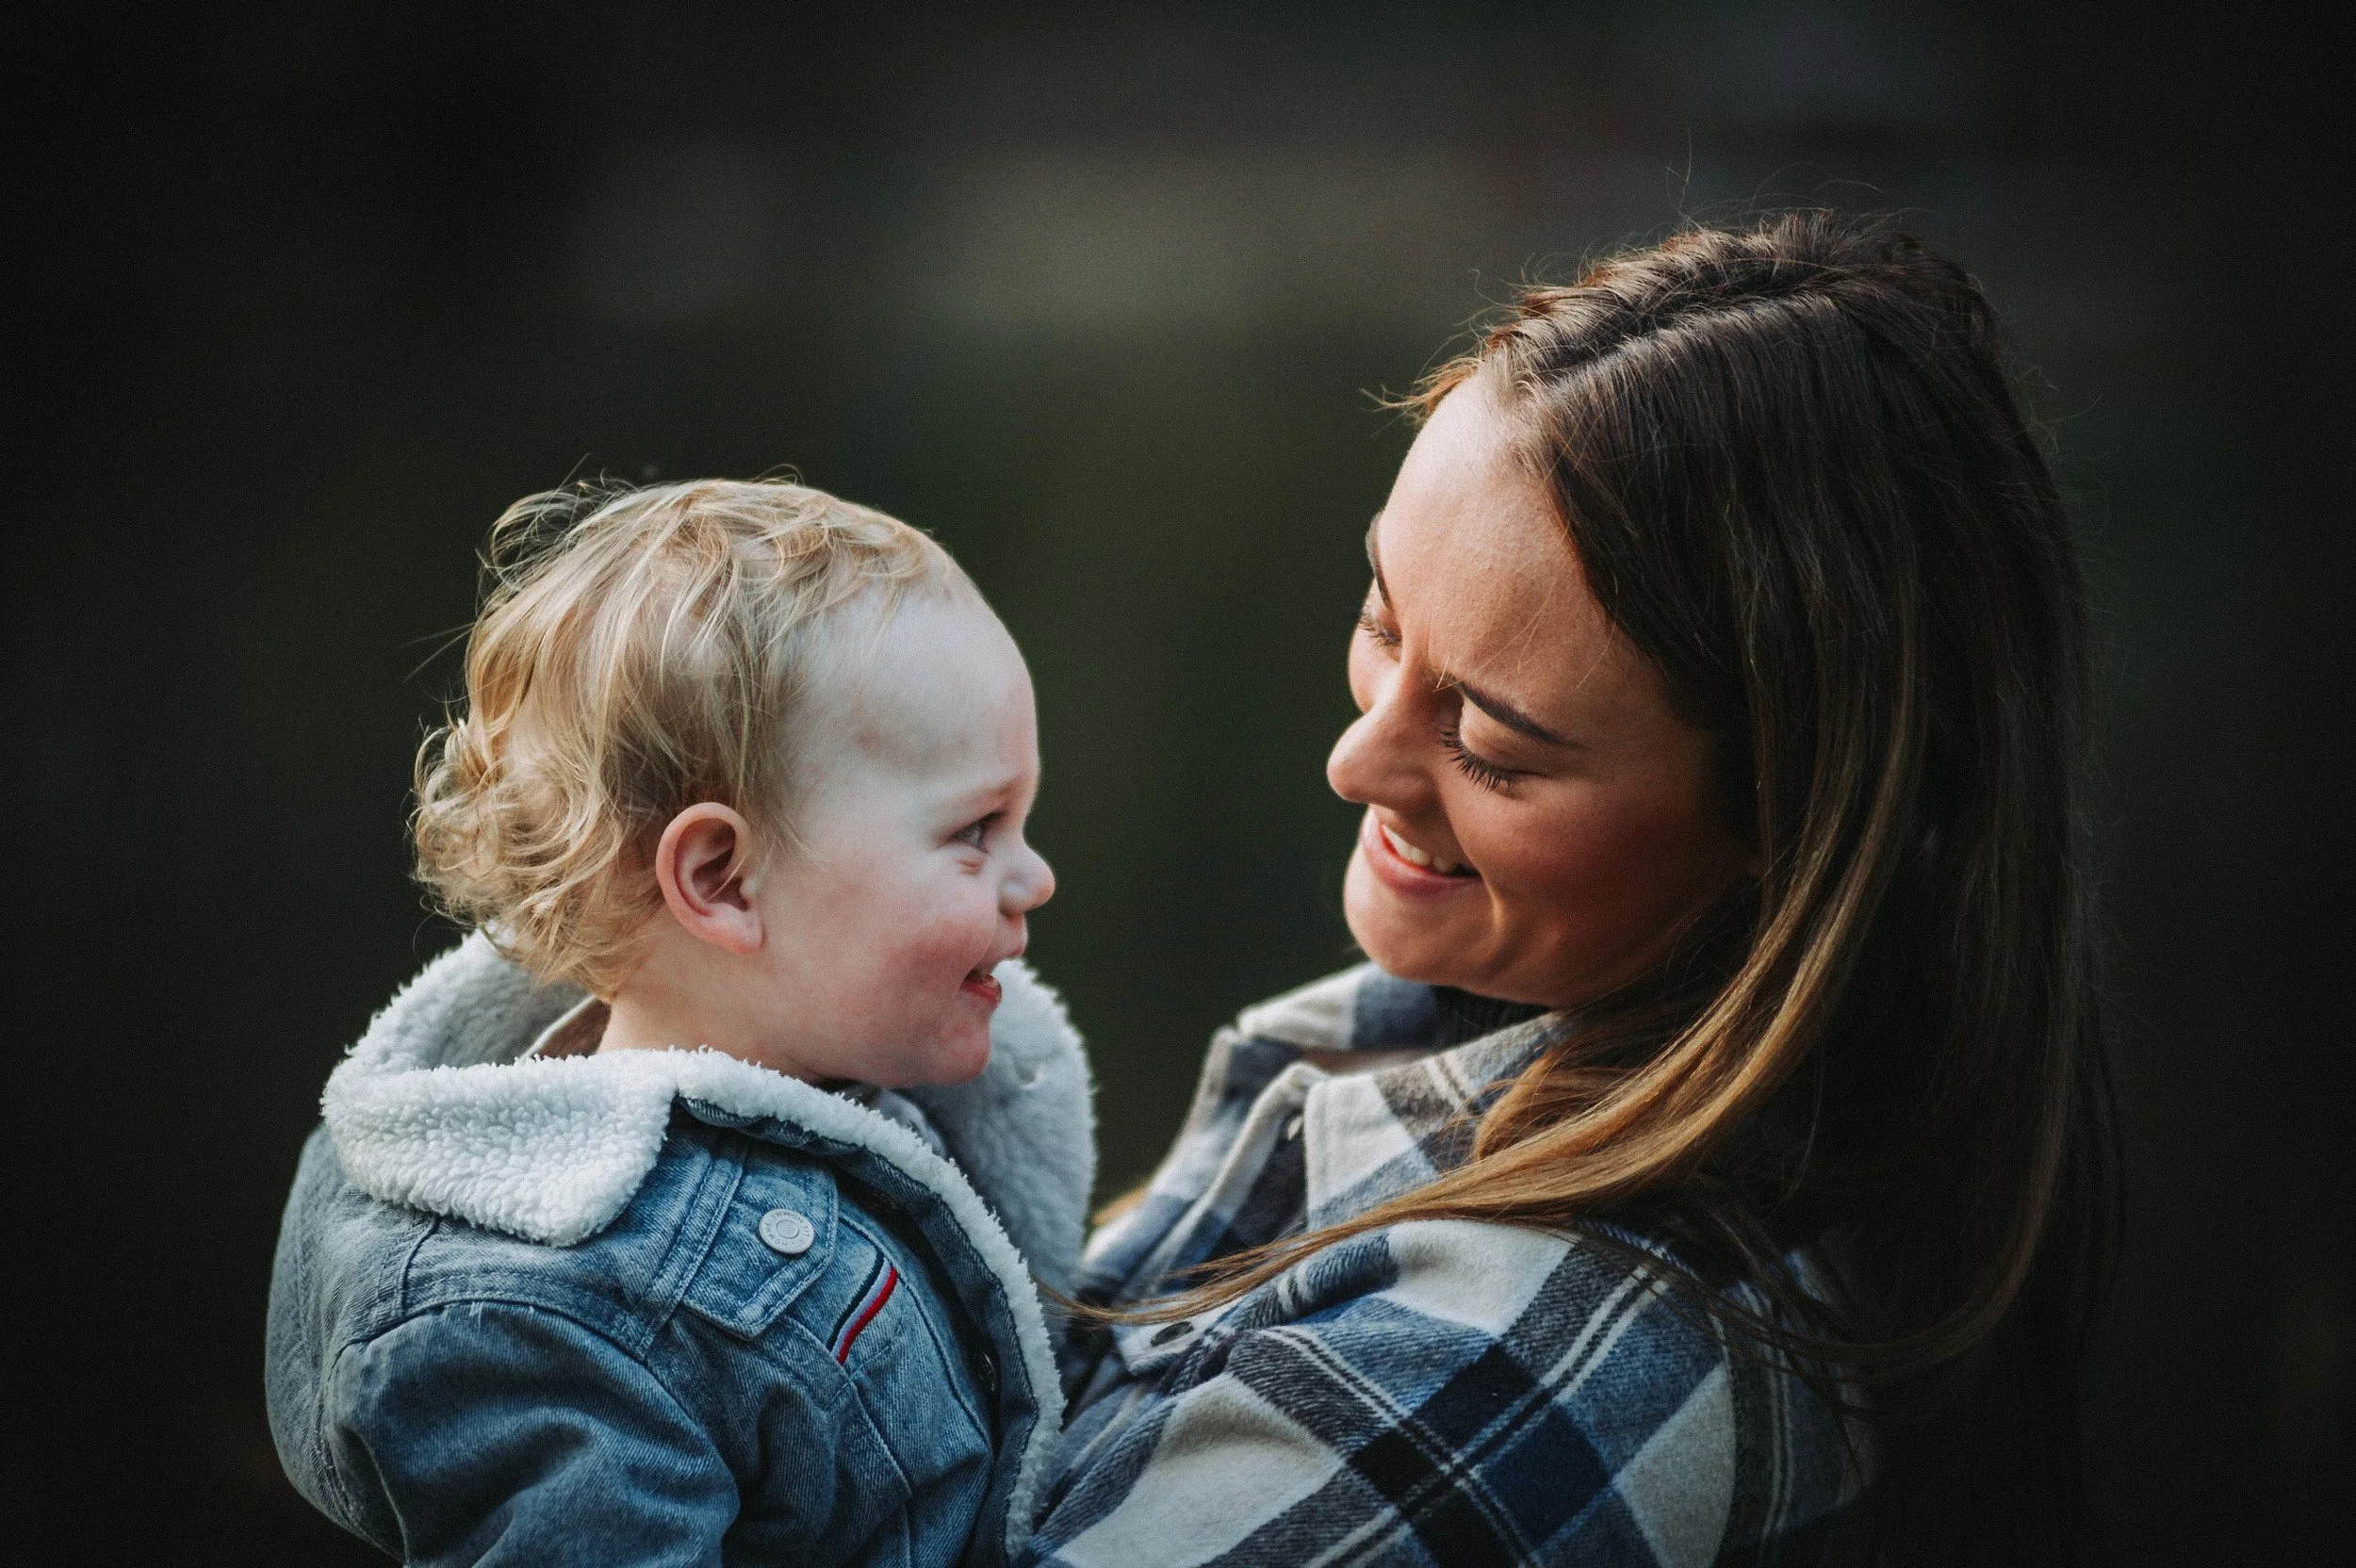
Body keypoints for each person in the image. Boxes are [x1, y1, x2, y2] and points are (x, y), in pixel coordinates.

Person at [1025, 213, 2119, 1567]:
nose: (1355, 758)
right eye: (1381, 618)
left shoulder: (1498, 1372)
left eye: (1490, 743)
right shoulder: (1467, 1019)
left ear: (1788, 819)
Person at [266, 479, 1091, 1567]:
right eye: (977, 828)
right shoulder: (549, 1321)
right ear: (724, 879)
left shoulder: (851, 1060)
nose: (1033, 876)